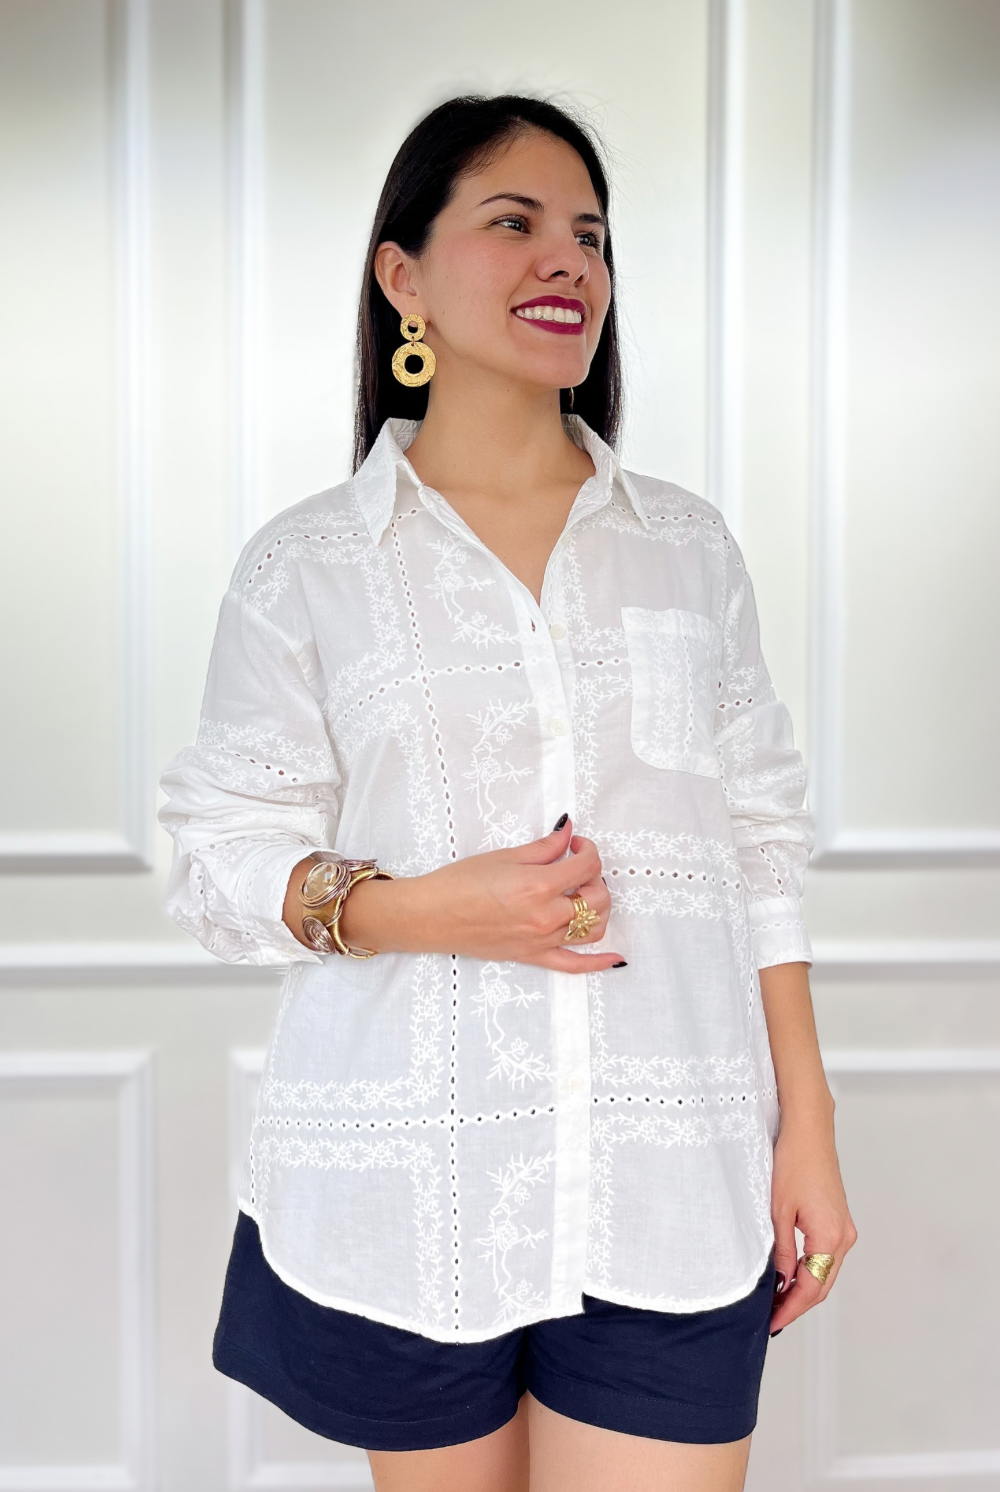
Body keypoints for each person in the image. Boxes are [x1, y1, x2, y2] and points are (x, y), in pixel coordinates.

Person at [158, 93, 856, 1492]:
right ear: (403, 276)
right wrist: (420, 909)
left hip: (676, 1172)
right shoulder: (308, 566)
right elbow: (217, 856)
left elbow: (761, 842)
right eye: (515, 222)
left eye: (590, 236)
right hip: (414, 1185)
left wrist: (811, 1127)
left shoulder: (688, 548)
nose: (568, 263)